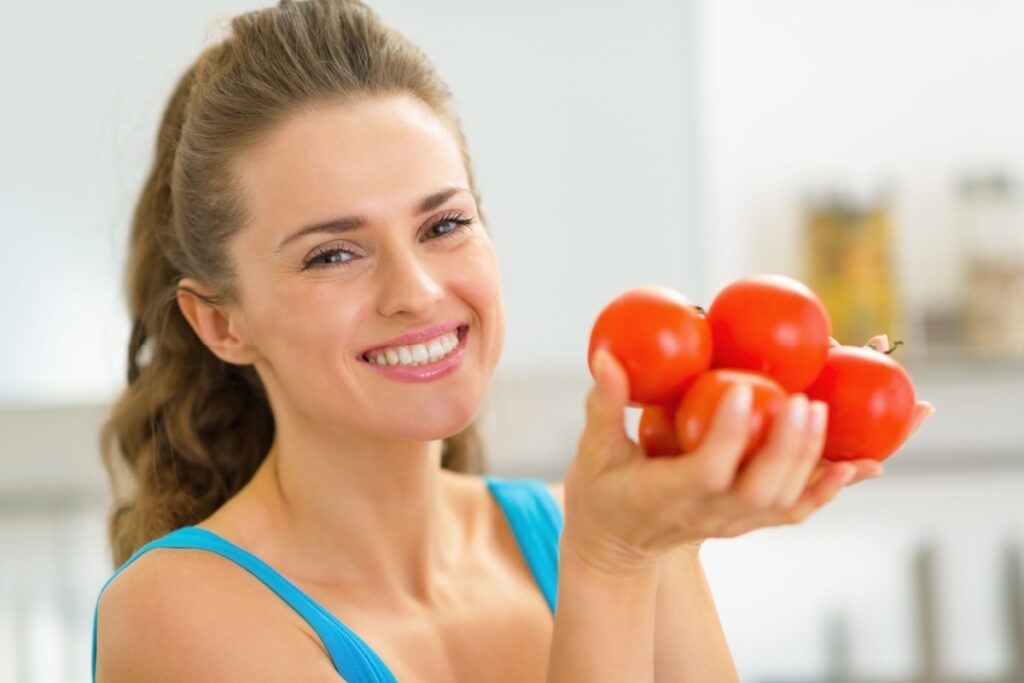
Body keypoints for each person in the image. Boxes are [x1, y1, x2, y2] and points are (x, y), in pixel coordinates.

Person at [91, 1, 934, 681]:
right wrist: (610, 567)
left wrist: (646, 547)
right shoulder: (178, 613)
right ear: (221, 322)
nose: (417, 291)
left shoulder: (603, 525)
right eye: (333, 253)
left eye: (445, 222)